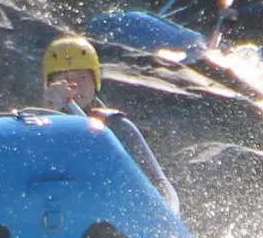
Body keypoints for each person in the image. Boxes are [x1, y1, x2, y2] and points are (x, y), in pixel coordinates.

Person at [38, 33, 171, 195]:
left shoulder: (116, 126)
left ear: (95, 82)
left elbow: (159, 185)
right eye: (65, 79)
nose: (75, 85)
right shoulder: (36, 129)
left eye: (82, 77)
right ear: (50, 85)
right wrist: (51, 111)